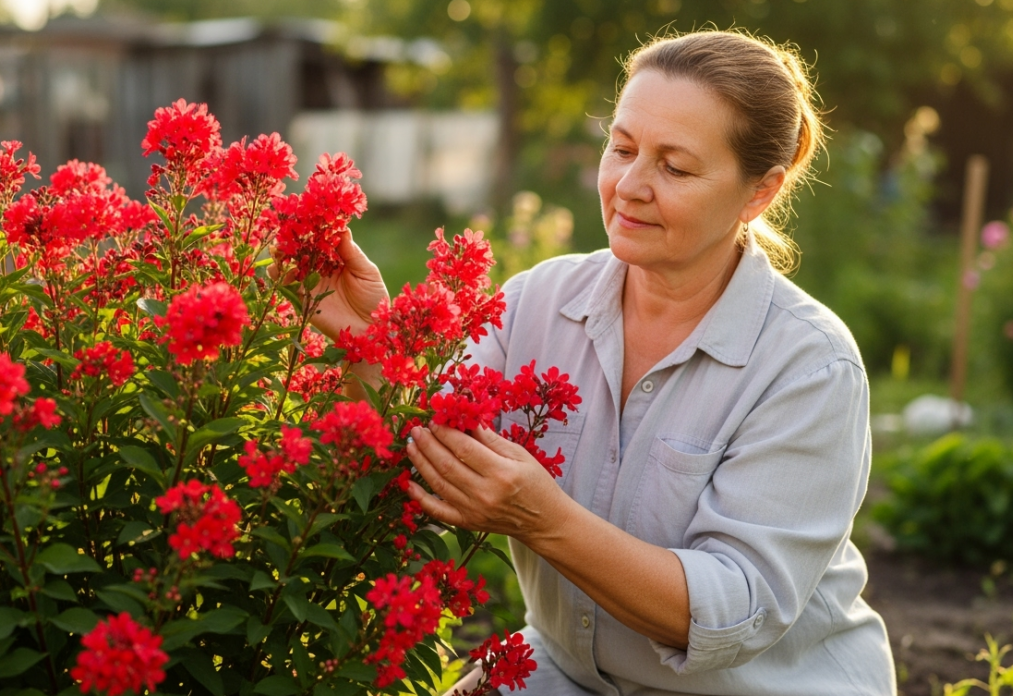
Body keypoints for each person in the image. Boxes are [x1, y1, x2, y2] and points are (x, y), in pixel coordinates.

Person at [310, 29, 896, 696]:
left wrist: (548, 522)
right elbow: (433, 443)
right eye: (622, 149)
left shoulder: (808, 366)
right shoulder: (537, 301)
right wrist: (367, 342)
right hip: (570, 674)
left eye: (674, 167)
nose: (630, 186)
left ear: (758, 193)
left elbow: (735, 609)